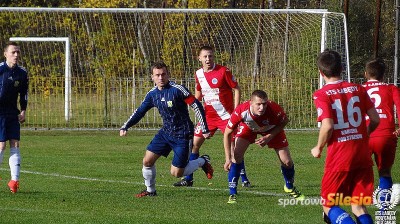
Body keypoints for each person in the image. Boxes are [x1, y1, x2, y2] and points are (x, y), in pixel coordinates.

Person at [120, 61, 214, 197]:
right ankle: (150, 191)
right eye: (157, 75)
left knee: (177, 173)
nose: (161, 77)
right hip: (166, 132)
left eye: (163, 74)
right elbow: (140, 111)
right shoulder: (152, 94)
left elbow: (196, 106)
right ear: (152, 77)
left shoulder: (178, 90)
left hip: (183, 134)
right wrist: (126, 125)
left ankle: (202, 161)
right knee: (147, 161)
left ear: (168, 75)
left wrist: (204, 128)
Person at [311, 50, 380, 224]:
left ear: (320, 72)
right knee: (359, 206)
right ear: (342, 68)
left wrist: (318, 147)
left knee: (328, 204)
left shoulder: (321, 94)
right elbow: (375, 119)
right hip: (362, 155)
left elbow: (327, 126)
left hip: (339, 157)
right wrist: (364, 134)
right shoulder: (358, 89)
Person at [174, 45, 251, 187]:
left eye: (210, 56)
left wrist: (236, 111)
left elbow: (236, 89)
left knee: (234, 147)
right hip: (207, 117)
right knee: (194, 145)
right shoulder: (198, 74)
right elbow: (198, 94)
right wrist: (188, 108)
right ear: (199, 58)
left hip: (226, 116)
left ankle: (244, 179)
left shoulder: (223, 71)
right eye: (205, 56)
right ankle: (189, 179)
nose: (208, 59)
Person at [223, 90, 304, 204]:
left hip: (271, 129)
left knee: (287, 162)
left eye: (264, 104)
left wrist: (269, 137)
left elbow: (284, 121)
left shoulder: (273, 108)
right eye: (258, 104)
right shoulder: (241, 111)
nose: (262, 107)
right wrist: (228, 158)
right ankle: (232, 194)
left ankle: (289, 187)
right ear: (251, 103)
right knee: (236, 156)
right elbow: (227, 133)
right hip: (249, 128)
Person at [362, 58, 400, 208]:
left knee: (362, 172)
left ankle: (361, 211)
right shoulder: (392, 88)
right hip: (385, 135)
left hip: (364, 136)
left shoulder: (359, 89)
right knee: (384, 172)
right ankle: (384, 210)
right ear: (383, 75)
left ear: (366, 74)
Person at [0, 41, 28, 194]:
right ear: (5, 54)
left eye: (18, 52)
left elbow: (24, 94)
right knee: (1, 145)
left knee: (15, 144)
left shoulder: (22, 73)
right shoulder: (0, 70)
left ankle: (14, 181)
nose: (16, 55)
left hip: (12, 112)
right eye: (13, 52)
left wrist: (23, 111)